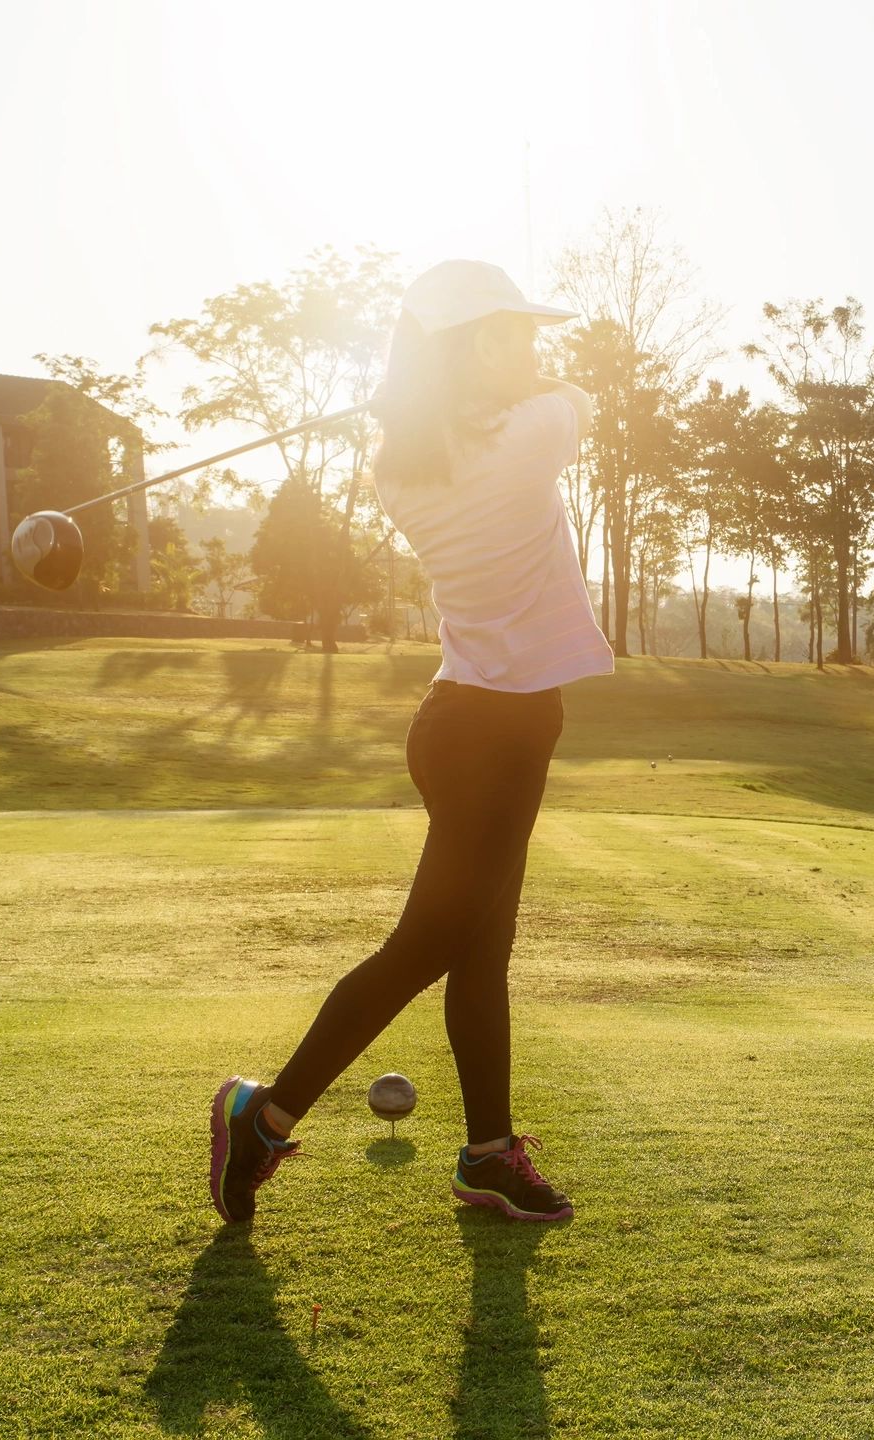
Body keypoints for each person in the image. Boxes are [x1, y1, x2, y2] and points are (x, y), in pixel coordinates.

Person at [208, 259, 613, 1225]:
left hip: (475, 725)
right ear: (474, 346)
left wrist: (446, 397)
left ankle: (485, 1153)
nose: (536, 352)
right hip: (491, 735)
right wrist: (488, 396)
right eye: (516, 334)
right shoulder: (524, 437)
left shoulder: (403, 463)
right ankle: (262, 1117)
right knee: (434, 940)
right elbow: (582, 401)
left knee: (483, 945)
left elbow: (492, 417)